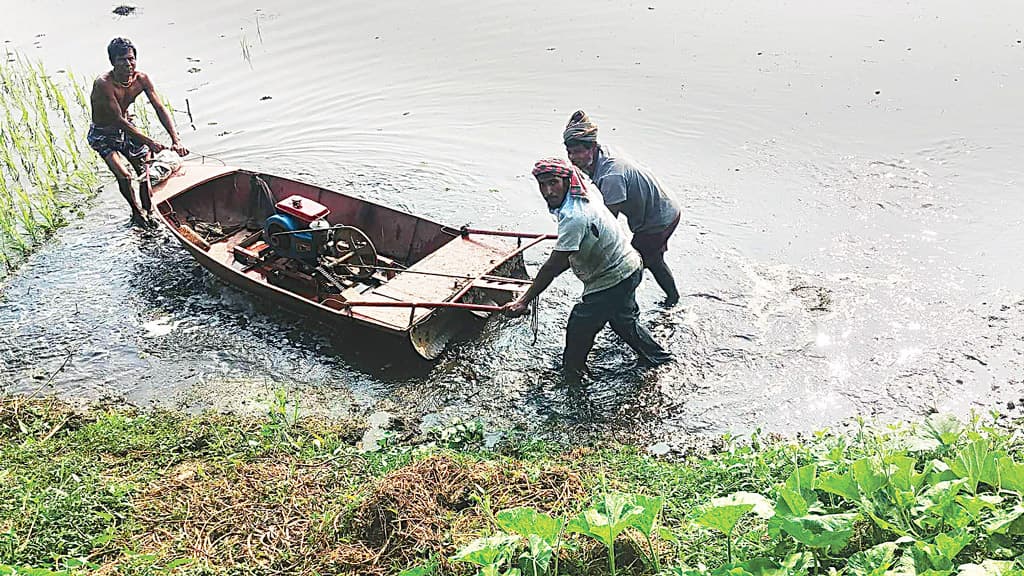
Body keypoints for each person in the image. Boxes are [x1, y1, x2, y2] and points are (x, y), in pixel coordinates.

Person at [502, 158, 673, 385]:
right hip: (630, 266)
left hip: (612, 277)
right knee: (623, 321)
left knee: (580, 323)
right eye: (542, 185)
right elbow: (564, 258)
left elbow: (555, 264)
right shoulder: (582, 192)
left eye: (553, 183)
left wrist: (523, 300)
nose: (548, 191)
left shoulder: (575, 217)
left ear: (566, 181)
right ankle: (658, 358)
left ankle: (573, 375)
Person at [563, 110, 681, 306]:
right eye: (569, 152)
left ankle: (623, 310)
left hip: (659, 218)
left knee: (626, 269)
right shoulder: (602, 156)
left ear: (592, 148)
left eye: (577, 152)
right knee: (653, 259)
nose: (572, 158)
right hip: (664, 205)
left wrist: (580, 247)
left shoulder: (611, 177)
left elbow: (607, 224)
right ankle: (672, 298)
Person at [89, 37, 188, 227]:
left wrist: (176, 140)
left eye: (131, 59)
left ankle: (149, 210)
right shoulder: (104, 83)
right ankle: (136, 213)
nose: (129, 64)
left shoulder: (141, 79)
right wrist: (150, 142)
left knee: (146, 173)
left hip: (127, 130)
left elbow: (159, 108)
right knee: (125, 176)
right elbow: (118, 120)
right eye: (122, 60)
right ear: (113, 62)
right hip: (104, 134)